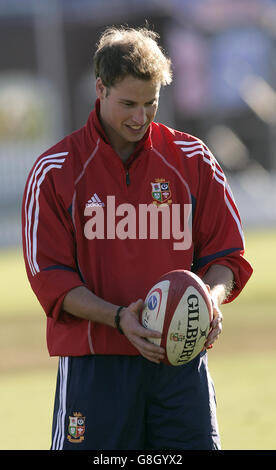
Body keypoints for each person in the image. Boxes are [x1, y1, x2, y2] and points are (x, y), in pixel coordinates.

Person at [22, 25, 252, 451]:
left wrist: (210, 301)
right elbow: (49, 278)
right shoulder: (55, 171)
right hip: (97, 369)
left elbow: (227, 256)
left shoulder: (193, 159)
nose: (140, 117)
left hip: (180, 364)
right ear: (100, 88)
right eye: (128, 103)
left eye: (151, 104)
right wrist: (118, 318)